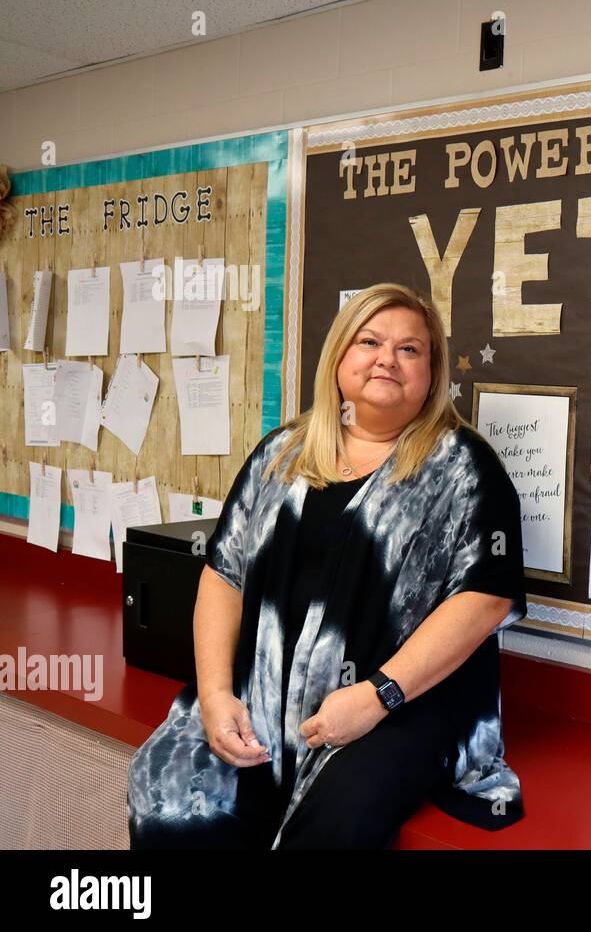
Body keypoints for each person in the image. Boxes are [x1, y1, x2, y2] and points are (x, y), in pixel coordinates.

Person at [127, 283, 527, 848]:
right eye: (370, 341)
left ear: (432, 376)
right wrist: (216, 695)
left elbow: (485, 599)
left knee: (331, 828)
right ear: (340, 357)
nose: (388, 358)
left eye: (410, 349)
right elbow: (223, 575)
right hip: (261, 693)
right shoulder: (281, 454)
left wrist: (377, 696)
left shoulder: (465, 468)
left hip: (400, 706)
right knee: (168, 797)